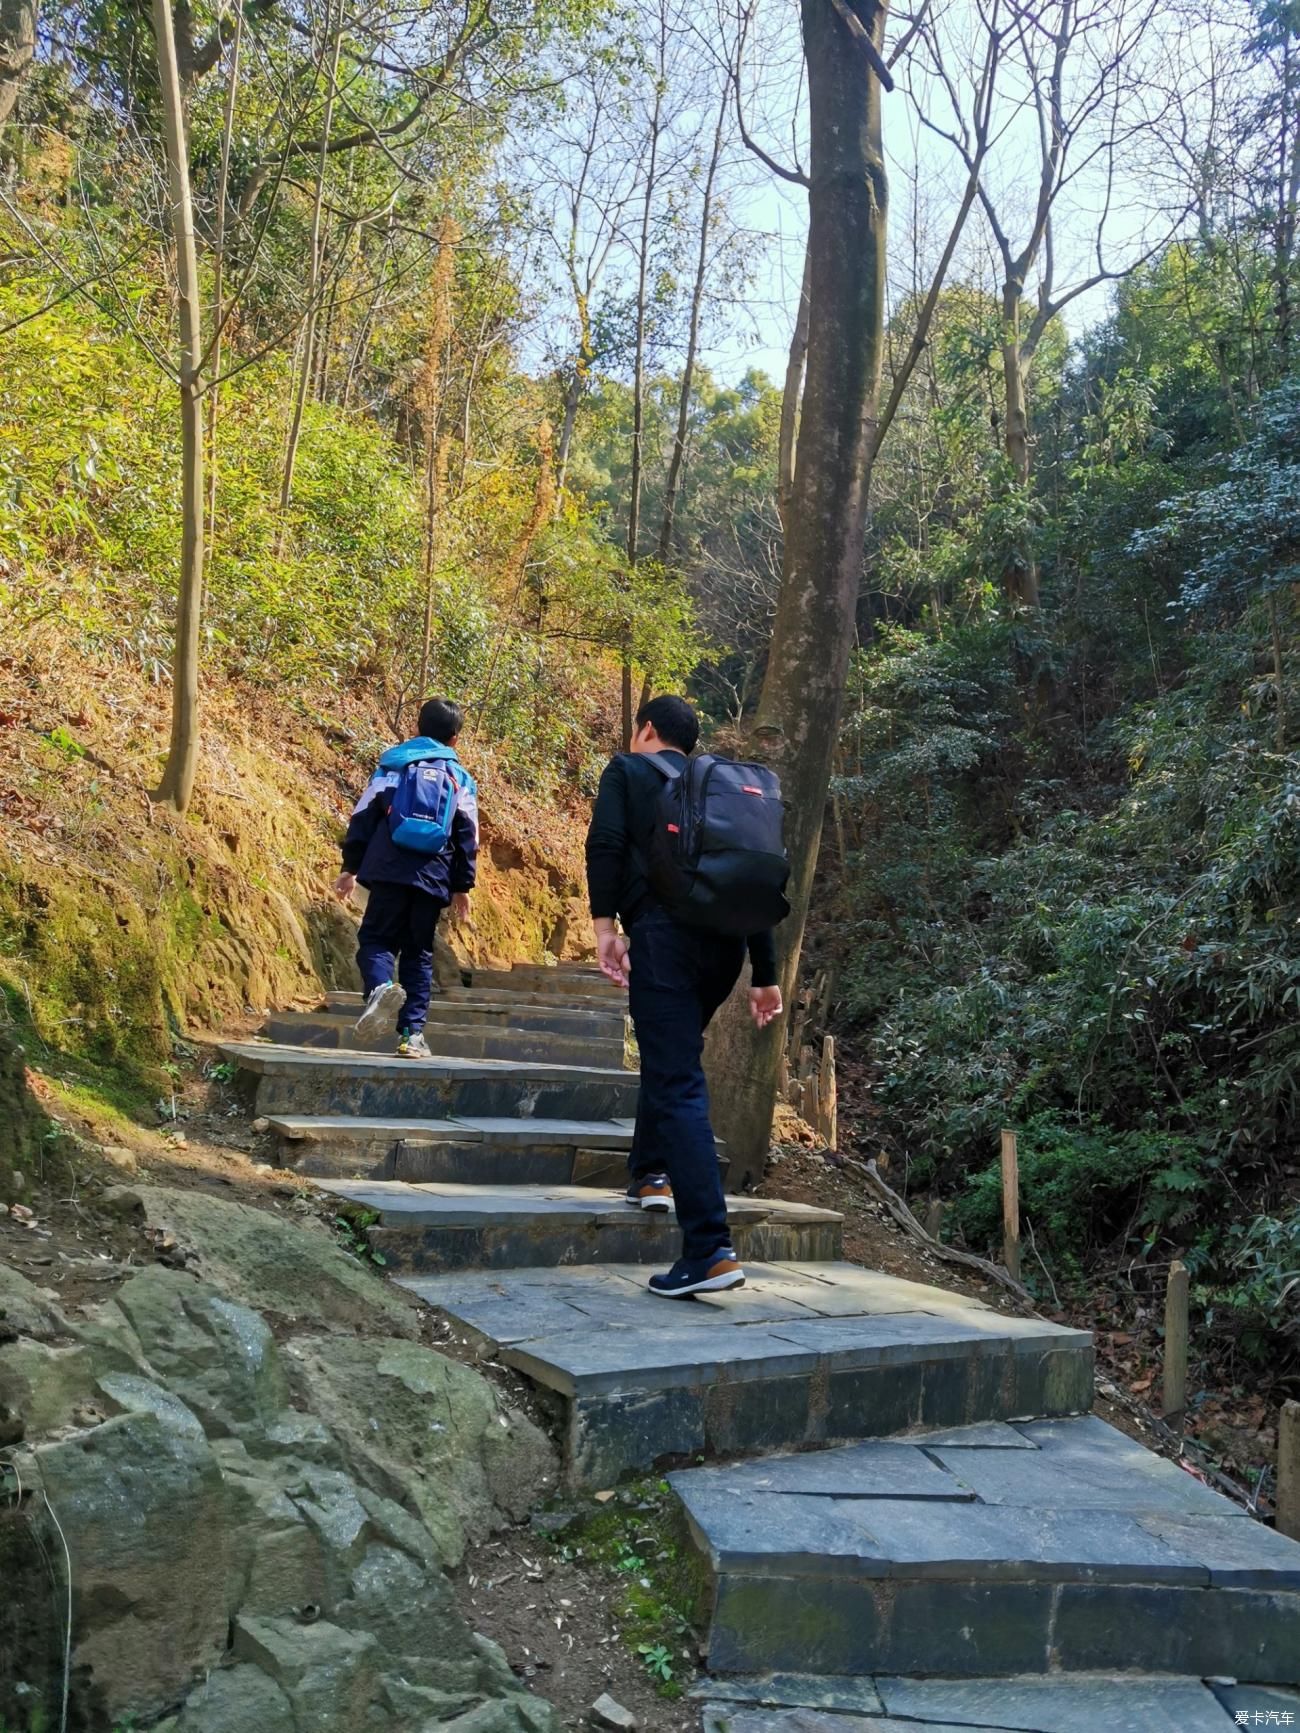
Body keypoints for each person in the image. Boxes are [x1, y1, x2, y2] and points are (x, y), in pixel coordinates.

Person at [585, 694, 783, 1298]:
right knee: (670, 1060)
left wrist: (604, 928)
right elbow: (752, 871)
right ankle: (649, 1174)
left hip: (664, 938)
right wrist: (765, 972)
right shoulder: (715, 787)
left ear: (646, 729)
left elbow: (607, 844)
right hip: (724, 948)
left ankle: (709, 1248)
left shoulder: (627, 769)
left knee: (676, 1079)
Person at [333, 698, 478, 1058]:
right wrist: (462, 886)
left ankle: (381, 987)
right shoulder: (459, 777)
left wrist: (350, 866)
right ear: (455, 739)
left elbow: (363, 816)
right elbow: (467, 835)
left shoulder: (393, 765)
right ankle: (411, 1036)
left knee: (377, 938)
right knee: (418, 952)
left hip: (387, 869)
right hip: (433, 873)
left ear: (417, 726)